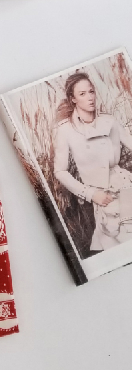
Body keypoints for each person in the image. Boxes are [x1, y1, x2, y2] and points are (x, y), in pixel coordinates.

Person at [53, 72, 132, 251]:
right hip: (101, 196)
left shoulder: (109, 121)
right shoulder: (65, 130)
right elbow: (60, 171)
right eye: (82, 94)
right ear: (73, 99)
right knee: (111, 242)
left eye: (91, 91)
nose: (90, 97)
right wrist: (90, 193)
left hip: (125, 187)